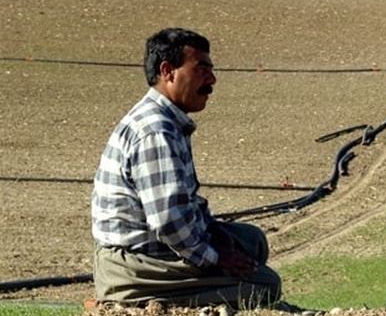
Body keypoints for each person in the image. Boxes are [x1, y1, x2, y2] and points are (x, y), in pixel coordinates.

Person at [91, 28, 281, 309]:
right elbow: (169, 222)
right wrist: (215, 257)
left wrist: (216, 236)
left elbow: (183, 203)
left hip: (152, 248)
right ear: (168, 71)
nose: (212, 80)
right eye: (202, 68)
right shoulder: (156, 131)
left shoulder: (167, 121)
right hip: (136, 263)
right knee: (265, 285)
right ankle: (142, 299)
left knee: (253, 243)